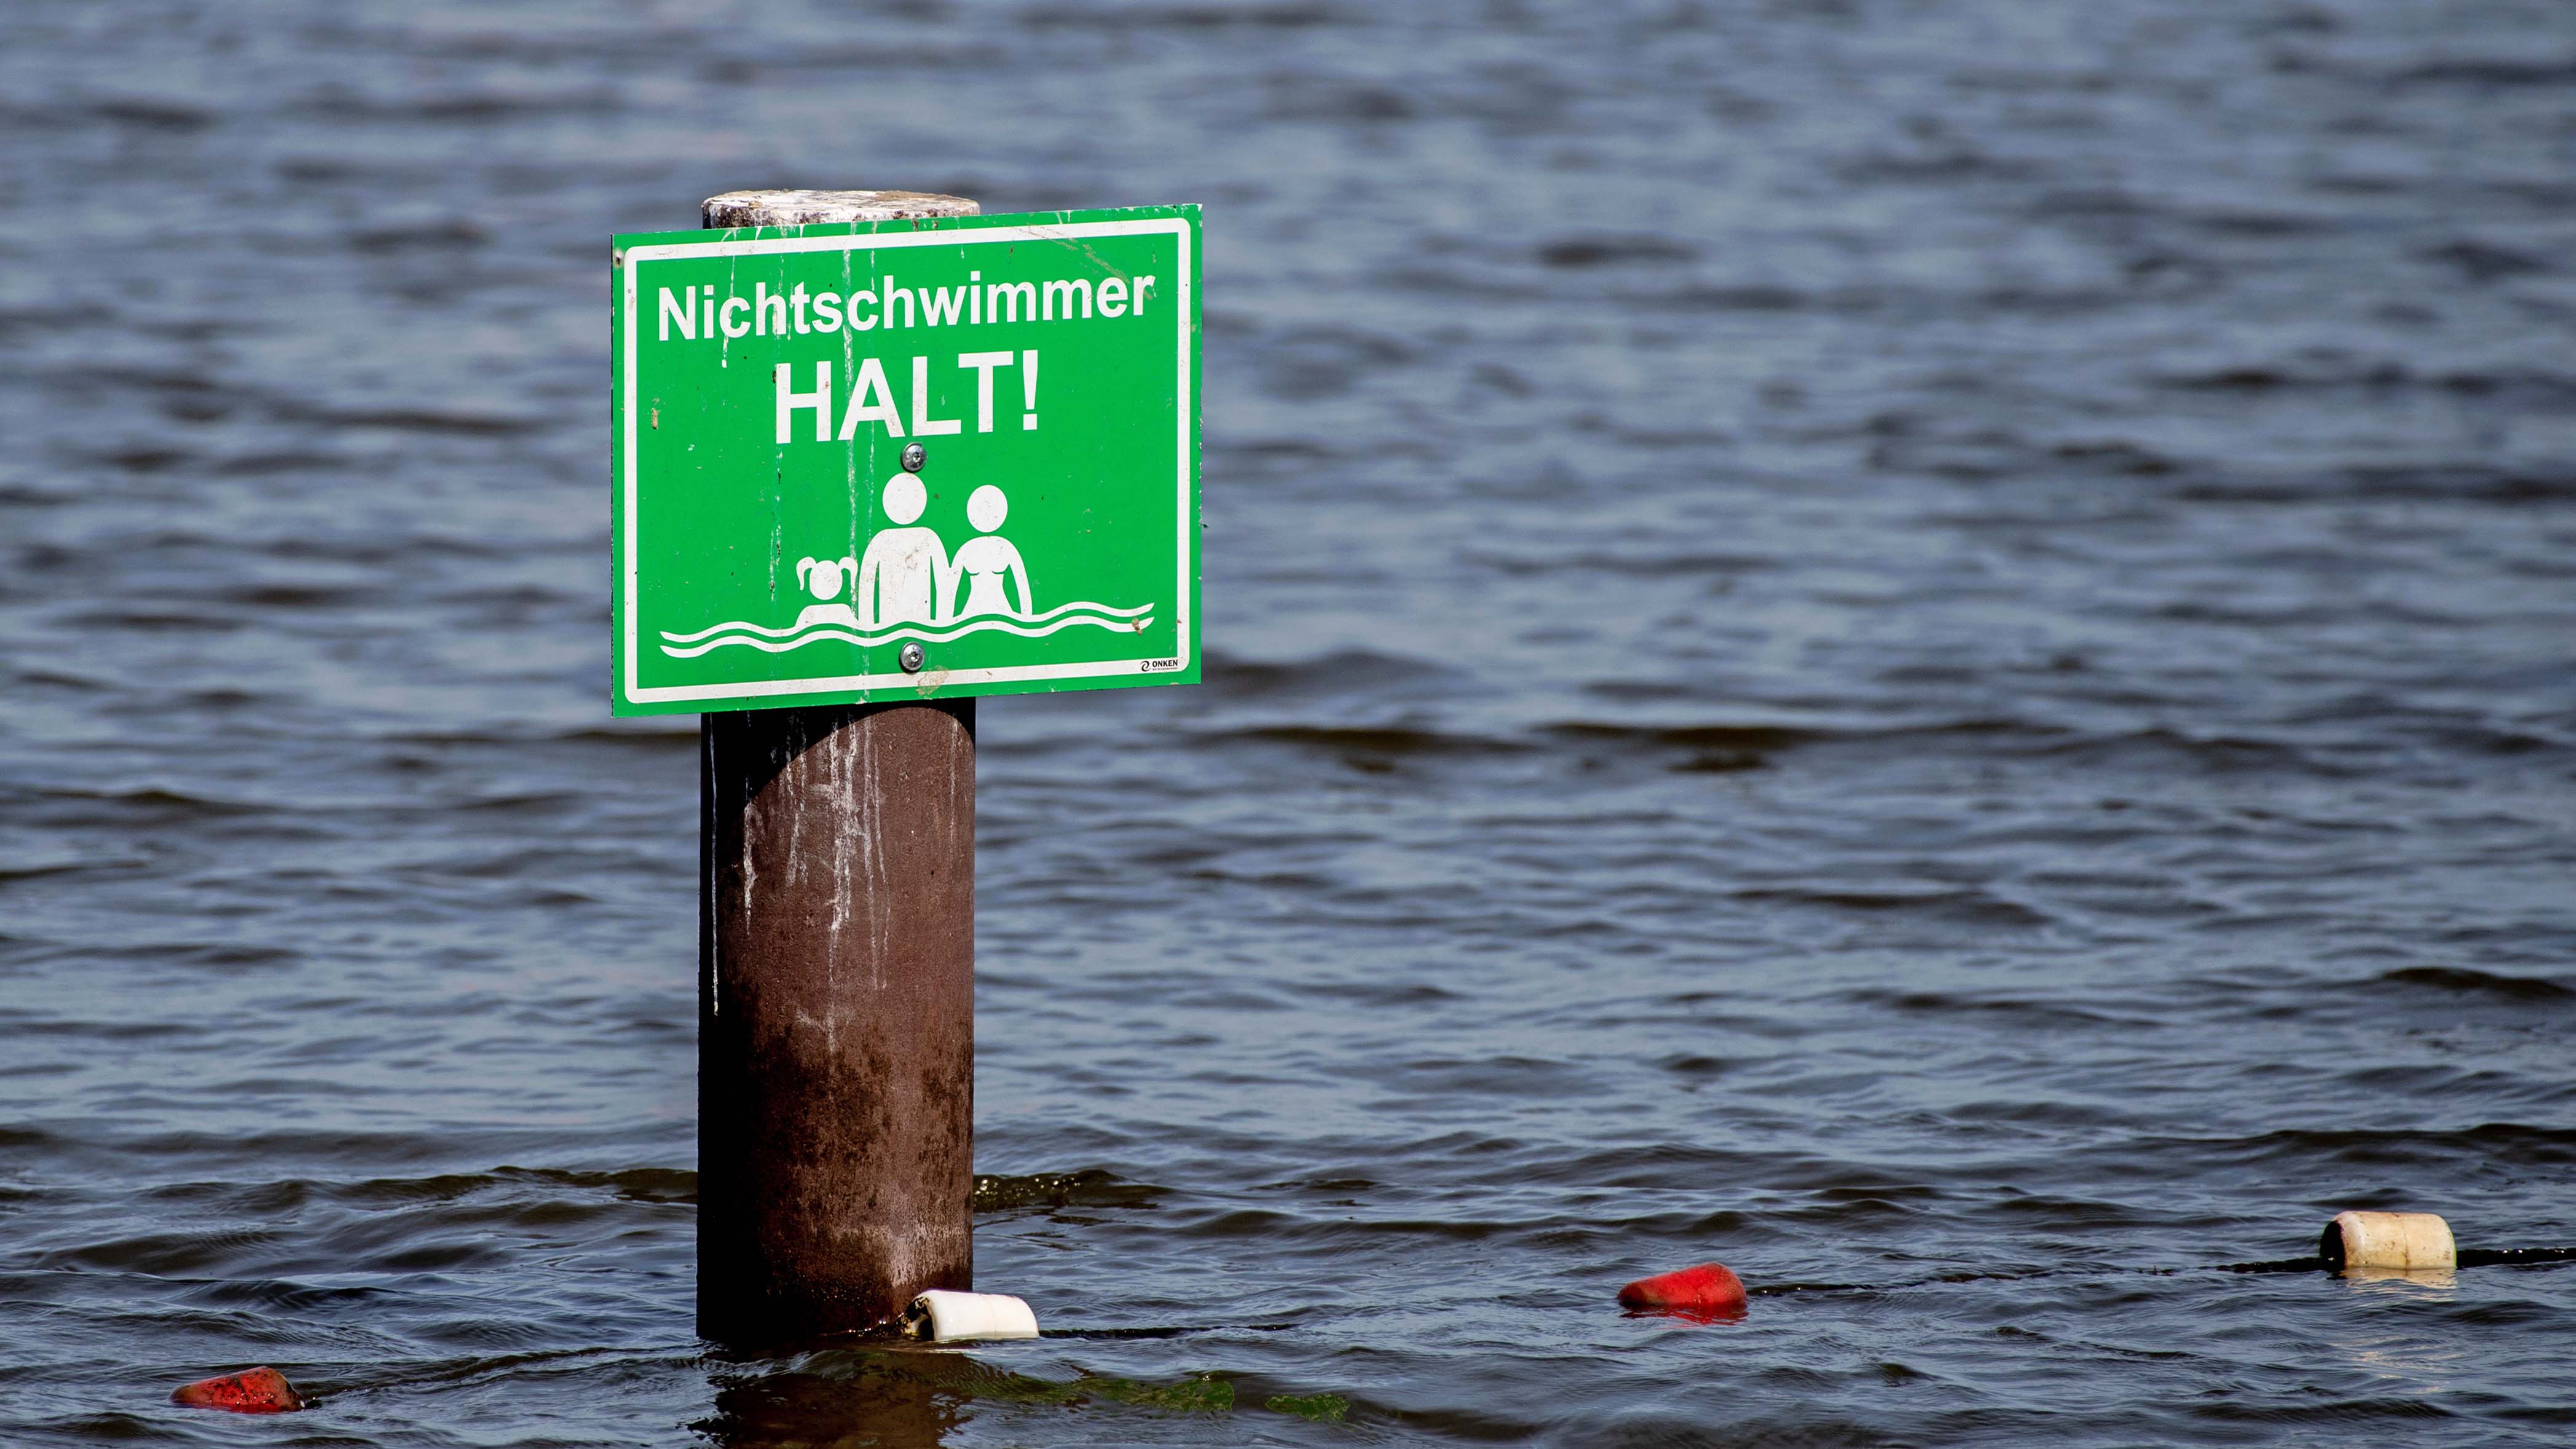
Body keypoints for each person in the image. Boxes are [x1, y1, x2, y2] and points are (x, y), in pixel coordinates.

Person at [856, 472, 951, 628]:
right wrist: (866, 626)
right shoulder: (881, 539)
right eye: (898, 498)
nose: (904, 505)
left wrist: (943, 621)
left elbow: (944, 582)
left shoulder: (928, 537)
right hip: (887, 627)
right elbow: (867, 584)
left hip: (923, 624)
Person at [947, 484, 1033, 618]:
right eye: (981, 509)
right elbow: (950, 592)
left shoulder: (1005, 547)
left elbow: (1023, 588)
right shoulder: (966, 549)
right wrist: (946, 625)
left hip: (1004, 614)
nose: (987, 514)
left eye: (992, 509)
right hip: (969, 615)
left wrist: (1026, 619)